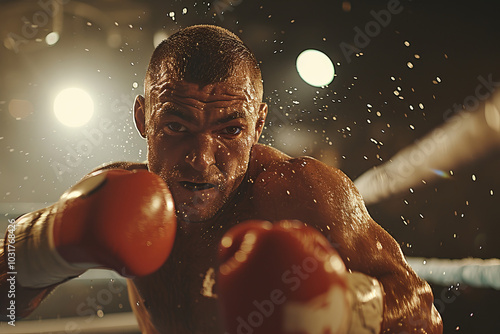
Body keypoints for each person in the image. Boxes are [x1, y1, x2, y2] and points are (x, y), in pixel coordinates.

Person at [0, 25, 443, 333]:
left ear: (257, 126)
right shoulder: (114, 193)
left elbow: (420, 312)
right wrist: (43, 246)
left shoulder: (300, 193)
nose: (200, 158)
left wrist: (341, 311)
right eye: (176, 126)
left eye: (230, 130)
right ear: (142, 118)